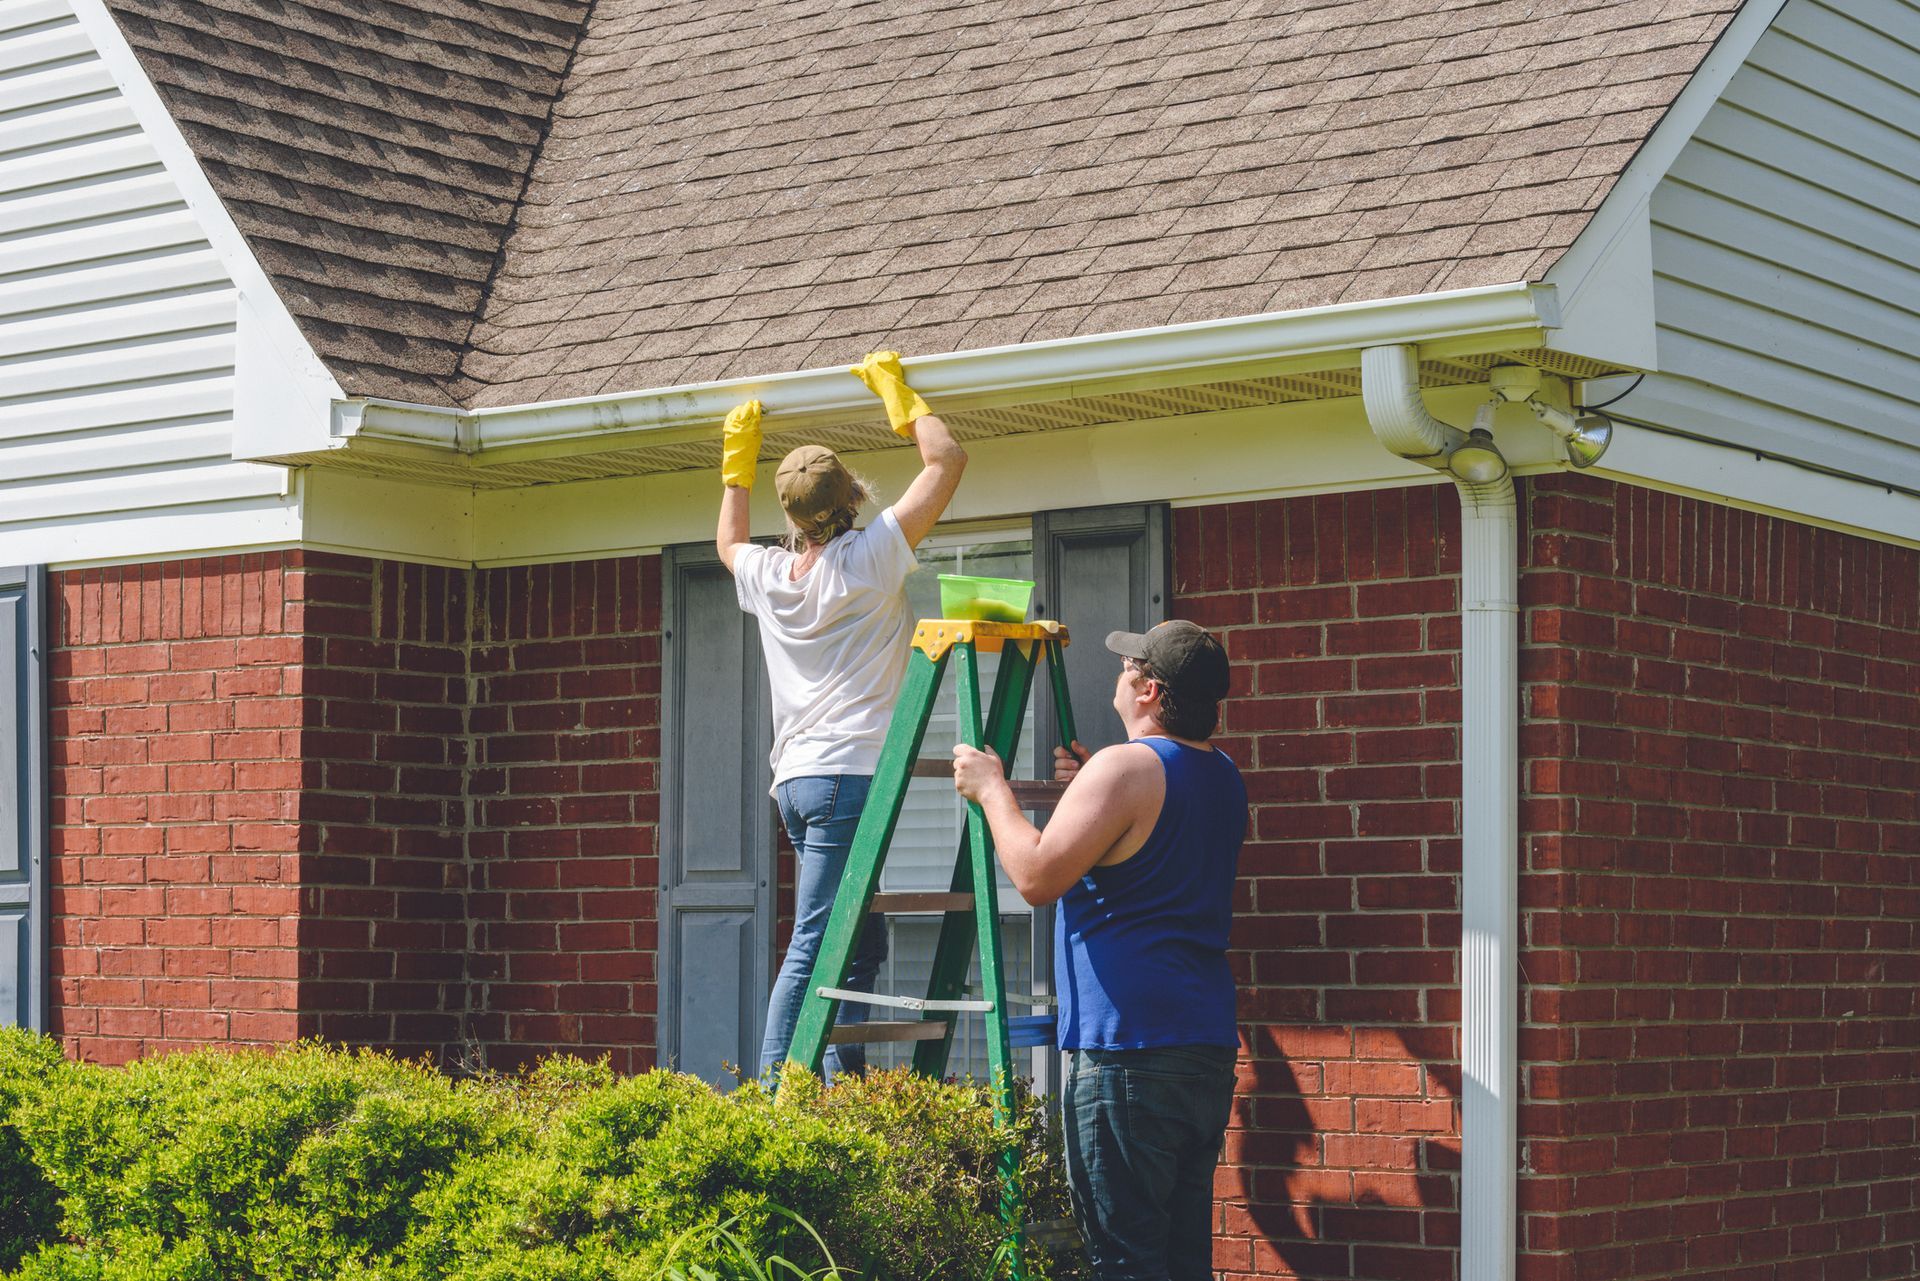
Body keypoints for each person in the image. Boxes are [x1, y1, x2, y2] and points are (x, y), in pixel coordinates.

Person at [951, 620, 1245, 1281]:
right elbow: (1148, 851)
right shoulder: (1222, 774)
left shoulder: (1124, 769)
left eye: (1127, 665)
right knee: (1179, 1257)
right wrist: (1088, 788)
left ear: (1146, 688)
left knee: (1125, 1261)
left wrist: (991, 787)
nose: (1119, 673)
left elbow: (1034, 875)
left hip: (1128, 1053)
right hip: (1202, 1046)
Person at [717, 352, 967, 1081]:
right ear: (851, 497)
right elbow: (945, 461)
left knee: (856, 946)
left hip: (798, 784)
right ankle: (772, 1099)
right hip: (850, 779)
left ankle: (840, 1088)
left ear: (790, 516)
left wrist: (737, 461)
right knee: (817, 941)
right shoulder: (868, 558)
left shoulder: (770, 574)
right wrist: (899, 395)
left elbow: (729, 543)